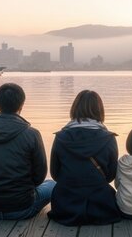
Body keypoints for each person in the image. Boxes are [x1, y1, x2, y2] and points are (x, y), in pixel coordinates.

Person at [0, 83, 55, 220]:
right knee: (53, 184)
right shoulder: (31, 134)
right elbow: (39, 176)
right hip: (22, 208)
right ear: (22, 105)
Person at [47, 90, 121, 226]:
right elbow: (111, 175)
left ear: (74, 108)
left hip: (66, 206)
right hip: (101, 206)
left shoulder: (61, 137)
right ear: (100, 111)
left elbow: (55, 173)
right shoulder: (108, 138)